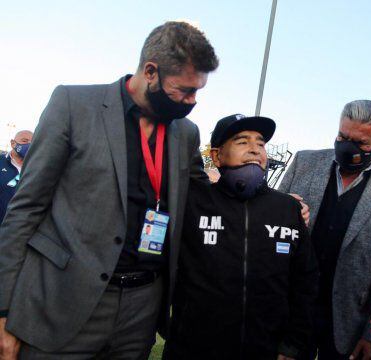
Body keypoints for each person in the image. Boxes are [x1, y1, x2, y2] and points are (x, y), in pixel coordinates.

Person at [0, 21, 218, 359]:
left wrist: (279, 204)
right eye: (185, 90)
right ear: (150, 71)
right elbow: (25, 208)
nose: (192, 100)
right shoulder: (73, 104)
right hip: (64, 300)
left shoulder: (186, 132)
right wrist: (2, 311)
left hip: (142, 309)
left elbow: (205, 198)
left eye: (198, 92)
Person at [164, 114, 318, 360]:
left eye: (260, 143)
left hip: (266, 350)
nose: (255, 149)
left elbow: (306, 282)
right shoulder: (192, 201)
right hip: (194, 349)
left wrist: (292, 344)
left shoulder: (288, 208)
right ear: (216, 156)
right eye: (242, 141)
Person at [279, 100, 371, 360]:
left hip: (347, 324)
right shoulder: (304, 162)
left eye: (361, 143)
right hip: (292, 311)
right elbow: (269, 224)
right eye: (342, 136)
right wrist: (284, 211)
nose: (347, 146)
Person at [0, 130, 33, 223]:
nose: (29, 145)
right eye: (24, 141)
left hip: (19, 229)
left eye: (32, 142)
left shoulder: (38, 168)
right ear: (13, 143)